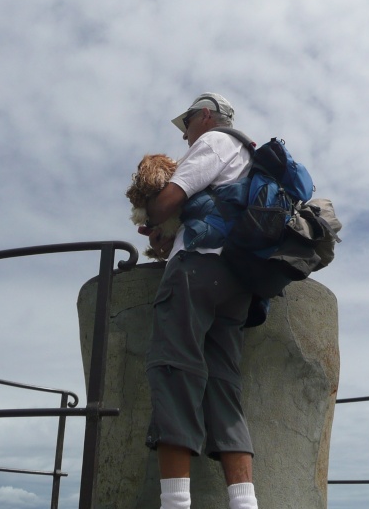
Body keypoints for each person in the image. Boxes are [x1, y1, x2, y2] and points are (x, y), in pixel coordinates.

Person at [139, 93, 259, 509]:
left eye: (186, 123)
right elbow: (215, 211)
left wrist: (150, 212)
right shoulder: (248, 157)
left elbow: (170, 199)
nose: (186, 135)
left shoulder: (216, 142)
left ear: (205, 116)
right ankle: (244, 503)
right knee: (223, 385)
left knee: (174, 371)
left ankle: (175, 504)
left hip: (197, 272)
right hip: (236, 280)